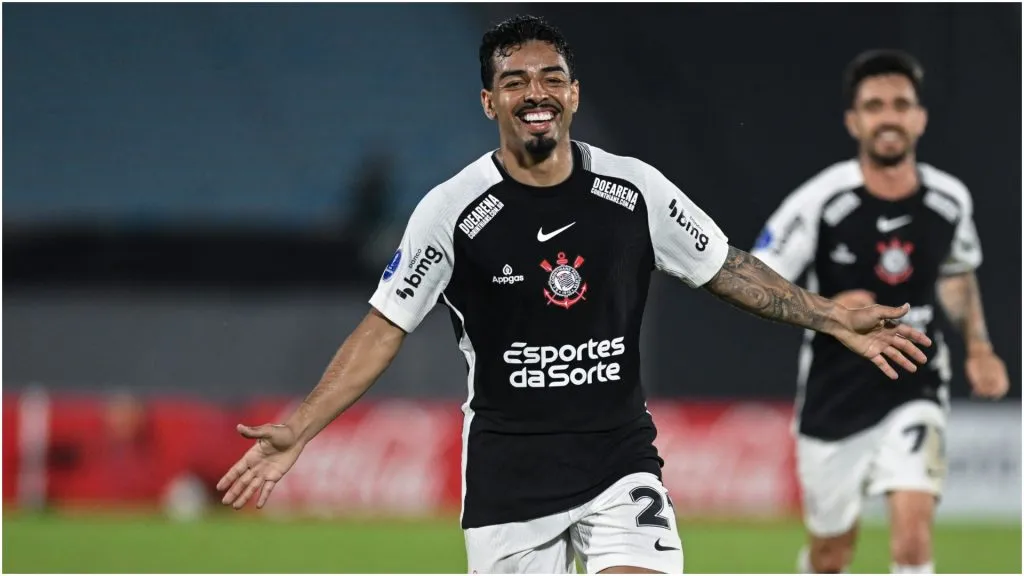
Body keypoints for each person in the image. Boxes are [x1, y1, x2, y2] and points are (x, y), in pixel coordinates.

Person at [217, 18, 932, 575]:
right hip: (509, 476)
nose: (537, 93)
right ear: (489, 99)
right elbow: (384, 325)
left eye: (552, 77)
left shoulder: (635, 191)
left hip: (619, 461)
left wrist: (833, 315)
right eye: (517, 81)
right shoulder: (452, 210)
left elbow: (728, 268)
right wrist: (301, 427)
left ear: (574, 93)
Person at [750, 49, 1009, 575]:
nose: (888, 116)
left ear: (919, 117)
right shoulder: (820, 200)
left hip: (915, 385)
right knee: (831, 554)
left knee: (912, 541)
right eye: (873, 105)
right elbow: (755, 277)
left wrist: (979, 347)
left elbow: (957, 276)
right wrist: (828, 310)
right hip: (834, 395)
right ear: (854, 121)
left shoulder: (949, 200)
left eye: (900, 104)